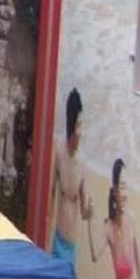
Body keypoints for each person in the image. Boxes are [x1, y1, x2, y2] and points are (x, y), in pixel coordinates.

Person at [50, 88, 95, 269]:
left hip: (71, 244)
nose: (80, 132)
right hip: (58, 237)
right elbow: (51, 196)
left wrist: (90, 210)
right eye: (78, 126)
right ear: (70, 126)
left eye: (82, 126)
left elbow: (84, 212)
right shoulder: (59, 153)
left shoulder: (81, 163)